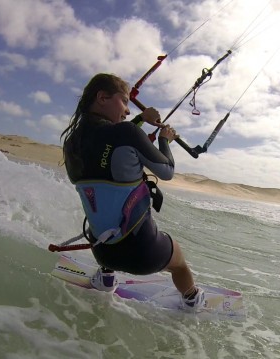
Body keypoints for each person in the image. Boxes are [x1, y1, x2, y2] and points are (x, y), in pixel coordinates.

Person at [60, 73, 205, 311]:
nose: (127, 111)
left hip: (102, 252)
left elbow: (105, 146)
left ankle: (106, 279)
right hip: (145, 254)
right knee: (179, 263)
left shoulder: (71, 144)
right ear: (102, 98)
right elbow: (166, 171)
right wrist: (165, 139)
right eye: (124, 101)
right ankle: (192, 300)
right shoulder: (126, 133)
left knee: (107, 216)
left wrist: (140, 119)